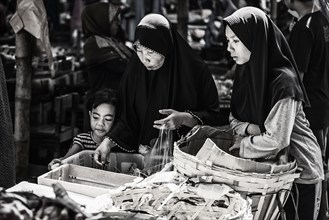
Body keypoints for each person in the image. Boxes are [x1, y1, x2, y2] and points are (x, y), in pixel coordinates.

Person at [223, 7, 324, 220]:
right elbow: (233, 119)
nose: (229, 48)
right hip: (268, 174)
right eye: (228, 41)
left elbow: (276, 140)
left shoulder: (284, 84)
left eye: (235, 41)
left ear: (255, 39)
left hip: (300, 175)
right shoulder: (246, 73)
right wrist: (253, 129)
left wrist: (242, 143)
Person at [94, 13, 223, 166]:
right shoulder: (135, 71)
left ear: (165, 46)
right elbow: (128, 118)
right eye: (139, 50)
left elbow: (214, 116)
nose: (144, 59)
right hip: (141, 159)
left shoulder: (195, 71)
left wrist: (184, 118)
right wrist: (108, 142)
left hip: (183, 160)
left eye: (151, 52)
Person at [283, 0, 329, 218]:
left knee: (311, 167)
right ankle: (322, 211)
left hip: (309, 108)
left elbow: (295, 79)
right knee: (319, 163)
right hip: (322, 103)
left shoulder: (304, 28)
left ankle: (317, 213)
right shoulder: (322, 21)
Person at [81, 2, 131, 131]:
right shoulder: (94, 43)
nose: (118, 24)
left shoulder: (114, 42)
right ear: (101, 22)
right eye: (114, 21)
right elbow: (121, 67)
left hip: (115, 100)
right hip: (102, 104)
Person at [48, 88, 117, 170]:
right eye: (96, 117)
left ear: (116, 120)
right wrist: (57, 163)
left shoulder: (118, 144)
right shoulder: (82, 140)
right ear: (90, 115)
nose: (100, 123)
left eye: (108, 119)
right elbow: (66, 159)